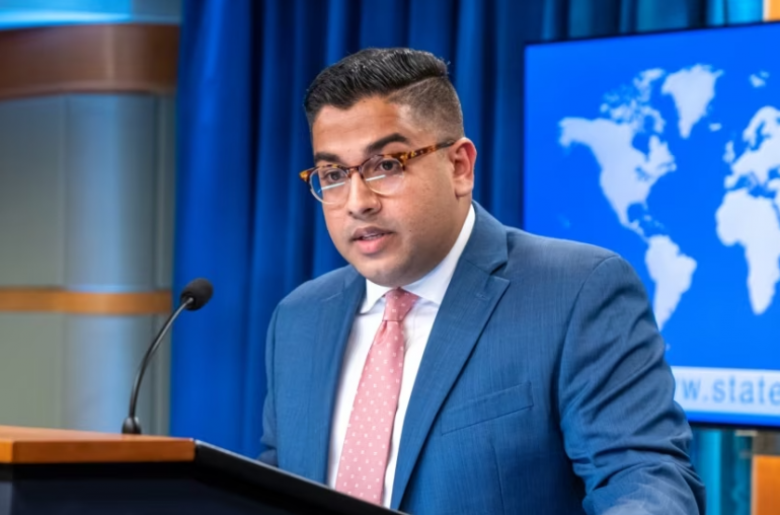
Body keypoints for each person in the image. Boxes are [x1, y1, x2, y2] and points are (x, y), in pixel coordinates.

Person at [259, 47, 705, 515]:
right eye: (333, 174)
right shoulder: (299, 317)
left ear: (459, 167)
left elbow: (645, 479)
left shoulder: (577, 292)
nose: (357, 202)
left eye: (386, 165)